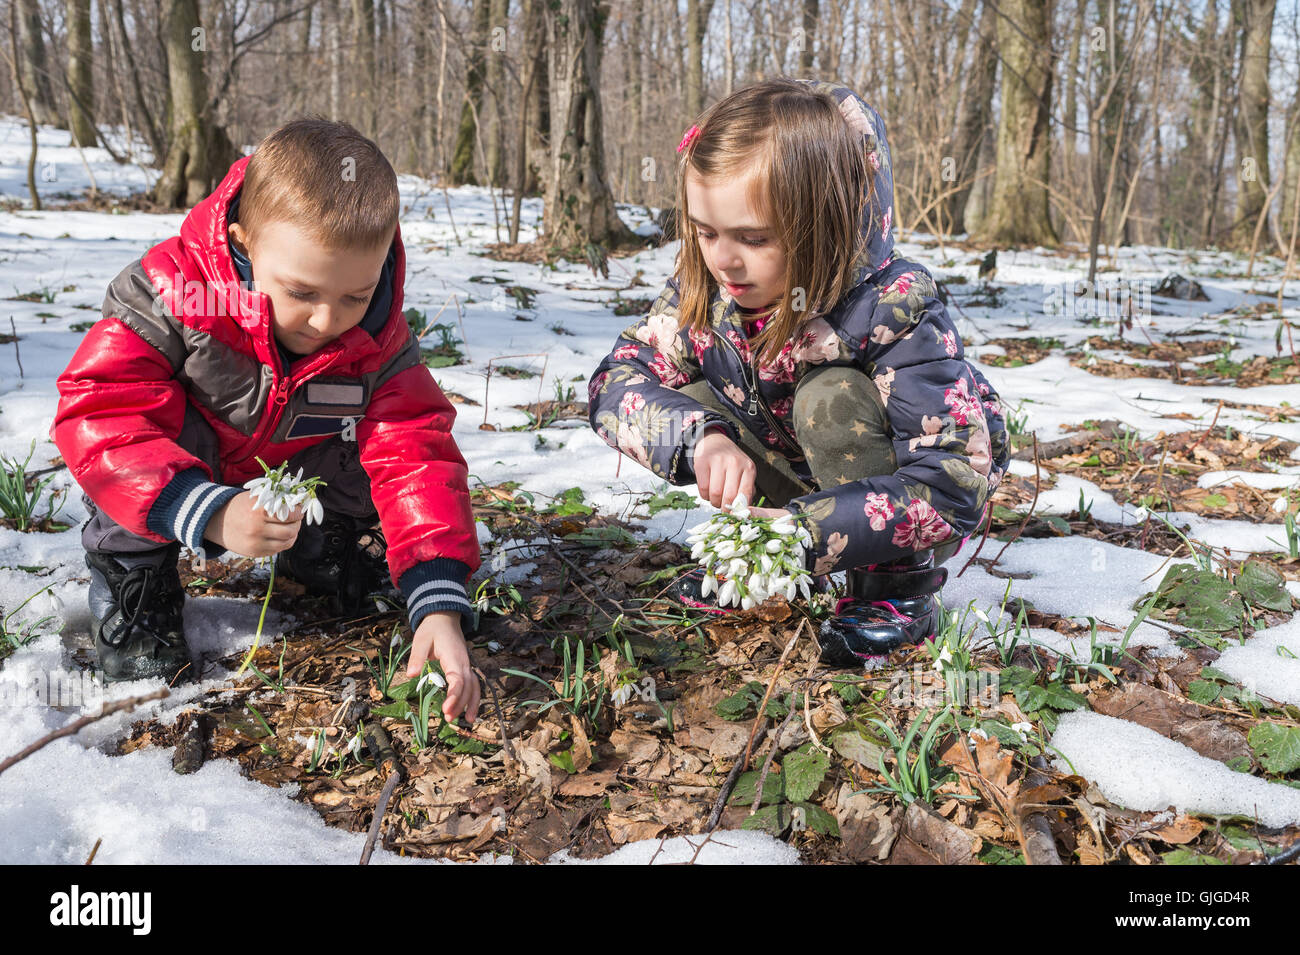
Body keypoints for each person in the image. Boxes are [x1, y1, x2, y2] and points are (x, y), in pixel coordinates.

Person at [52, 119, 482, 720]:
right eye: (302, 292)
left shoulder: (378, 337)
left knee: (374, 430)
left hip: (292, 468)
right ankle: (137, 585)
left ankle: (323, 543)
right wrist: (208, 510)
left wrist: (438, 597)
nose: (327, 319)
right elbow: (101, 408)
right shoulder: (172, 293)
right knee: (137, 439)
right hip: (181, 471)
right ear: (244, 240)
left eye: (355, 295)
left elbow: (415, 451)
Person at [587, 78, 1011, 668]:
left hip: (900, 498)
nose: (724, 259)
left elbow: (951, 483)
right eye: (705, 232)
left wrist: (805, 533)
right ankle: (766, 567)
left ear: (823, 222)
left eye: (753, 238)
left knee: (830, 397)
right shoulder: (706, 293)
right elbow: (616, 381)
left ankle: (891, 591)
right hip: (797, 491)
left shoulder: (892, 305)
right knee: (690, 392)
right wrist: (700, 436)